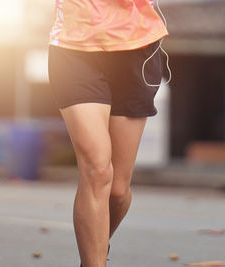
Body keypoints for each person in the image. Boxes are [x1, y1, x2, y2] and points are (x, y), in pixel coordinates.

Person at [47, 0, 169, 266]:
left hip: (137, 47)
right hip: (74, 46)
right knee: (97, 168)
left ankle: (95, 254)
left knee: (117, 191)